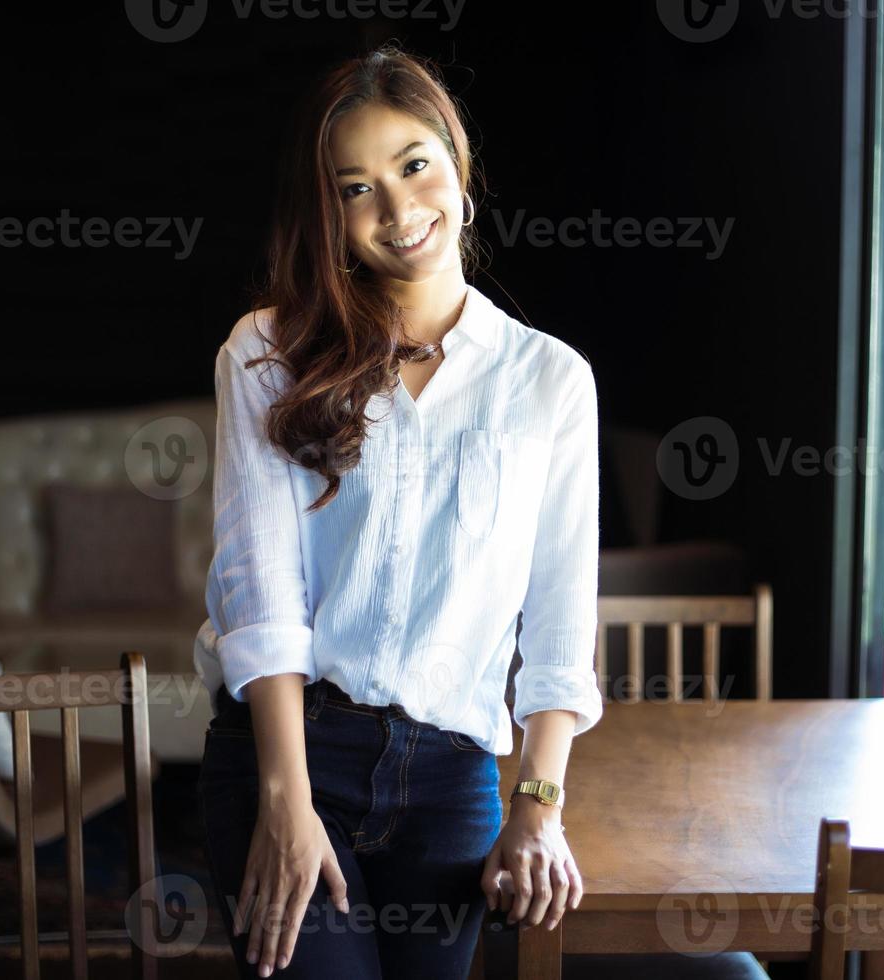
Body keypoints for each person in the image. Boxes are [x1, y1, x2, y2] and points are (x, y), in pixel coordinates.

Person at [193, 42, 604, 979]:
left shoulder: (549, 380)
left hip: (453, 777)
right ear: (328, 215)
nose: (397, 209)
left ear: (459, 166)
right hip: (298, 755)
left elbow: (558, 620)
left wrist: (538, 807)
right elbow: (261, 594)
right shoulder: (266, 354)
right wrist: (284, 802)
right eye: (355, 188)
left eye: (414, 165)